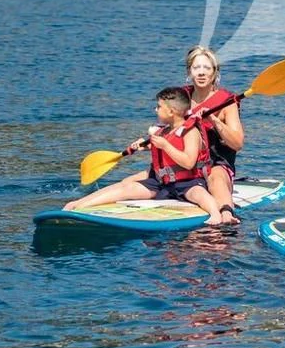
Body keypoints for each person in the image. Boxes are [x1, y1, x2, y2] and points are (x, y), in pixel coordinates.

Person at [63, 87, 224, 224]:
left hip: (187, 182)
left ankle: (215, 214)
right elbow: (163, 147)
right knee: (125, 187)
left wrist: (165, 146)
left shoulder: (191, 132)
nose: (155, 109)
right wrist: (145, 146)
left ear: (171, 111)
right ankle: (79, 204)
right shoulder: (164, 130)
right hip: (160, 182)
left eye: (158, 106)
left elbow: (189, 163)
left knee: (200, 195)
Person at [182, 46, 244, 224]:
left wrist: (214, 120)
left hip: (216, 163)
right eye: (196, 68)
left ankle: (226, 214)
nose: (201, 73)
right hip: (185, 163)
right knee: (142, 177)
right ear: (189, 71)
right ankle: (96, 204)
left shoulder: (227, 103)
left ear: (215, 73)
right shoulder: (180, 98)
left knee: (215, 175)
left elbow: (237, 143)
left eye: (207, 68)